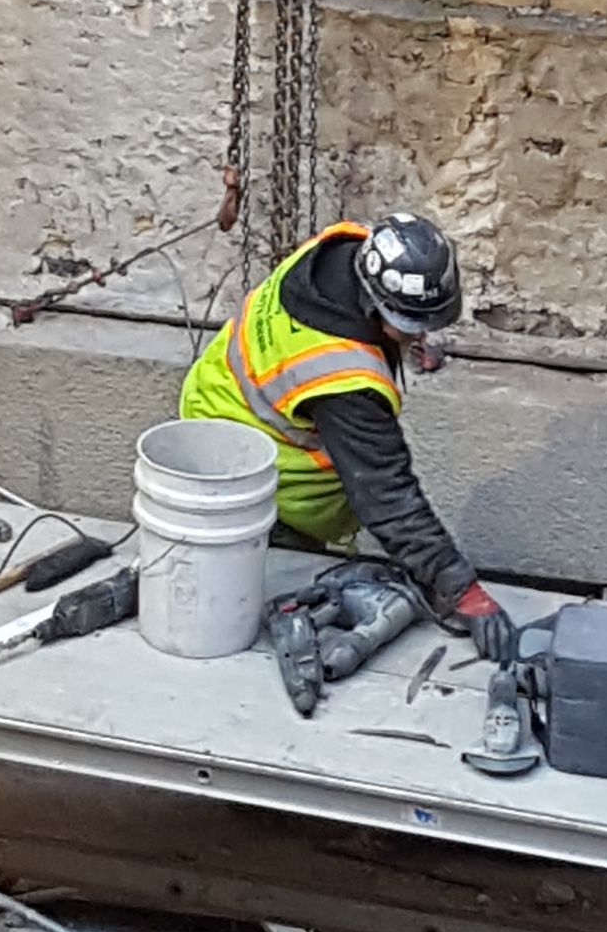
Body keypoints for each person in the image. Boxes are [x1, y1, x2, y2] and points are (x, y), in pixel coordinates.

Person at [181, 211, 516, 663]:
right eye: (411, 325)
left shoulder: (342, 250)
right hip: (256, 471)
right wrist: (461, 589)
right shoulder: (341, 378)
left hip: (220, 395)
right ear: (373, 304)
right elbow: (386, 494)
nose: (421, 335)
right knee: (266, 597)